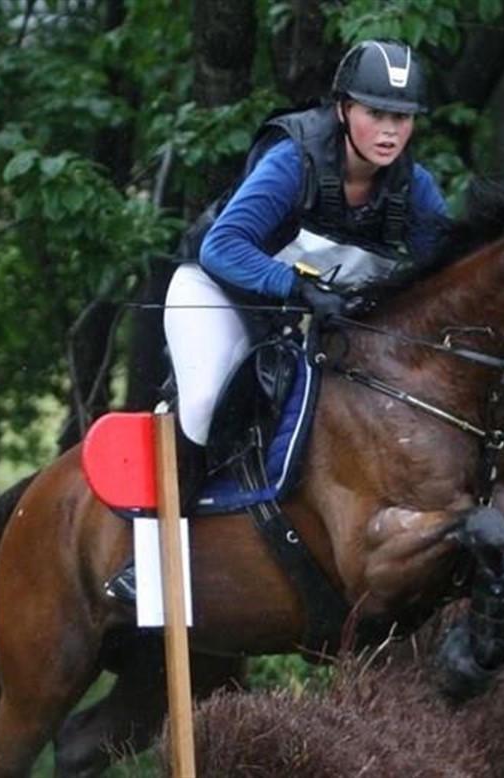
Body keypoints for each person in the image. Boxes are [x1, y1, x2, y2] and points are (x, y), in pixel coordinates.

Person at [106, 39, 449, 603]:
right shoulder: (295, 160)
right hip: (221, 294)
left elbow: (445, 274)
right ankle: (152, 556)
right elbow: (223, 247)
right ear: (343, 108)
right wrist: (296, 286)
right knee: (205, 399)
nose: (391, 130)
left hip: (307, 317)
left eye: (403, 117)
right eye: (377, 113)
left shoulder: (415, 188)